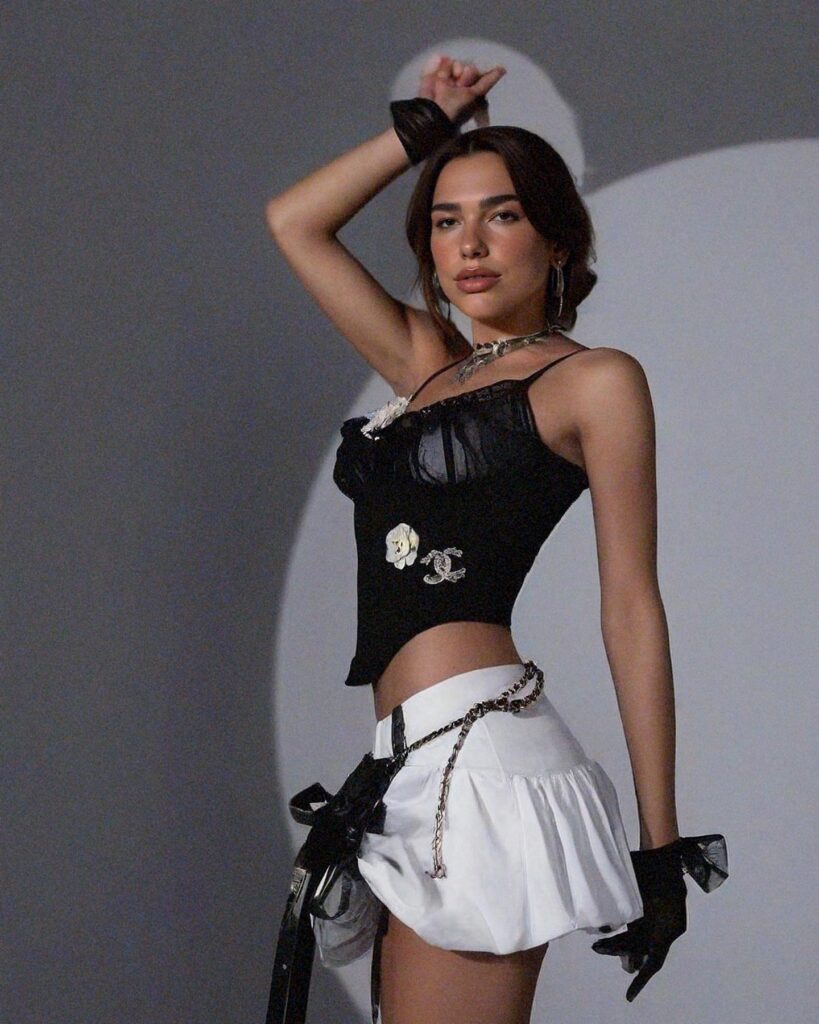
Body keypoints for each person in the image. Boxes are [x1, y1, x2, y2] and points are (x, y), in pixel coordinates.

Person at [264, 54, 728, 1024]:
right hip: (404, 764)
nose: (469, 245)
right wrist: (425, 130)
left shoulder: (593, 381)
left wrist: (660, 846)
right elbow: (295, 221)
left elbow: (630, 606)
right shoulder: (426, 365)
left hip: (480, 765)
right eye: (445, 221)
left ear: (557, 239)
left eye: (502, 215)